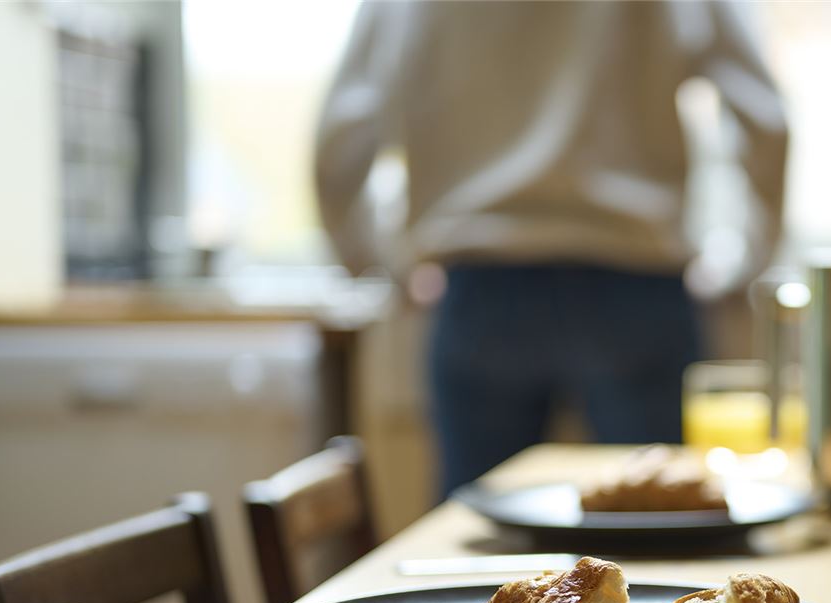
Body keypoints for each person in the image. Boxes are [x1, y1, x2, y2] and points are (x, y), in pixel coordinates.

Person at [314, 0, 789, 497]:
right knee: (662, 530)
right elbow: (763, 115)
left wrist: (381, 262)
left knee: (479, 546)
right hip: (637, 287)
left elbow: (343, 134)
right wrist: (743, 260)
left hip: (484, 290)